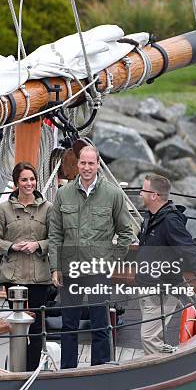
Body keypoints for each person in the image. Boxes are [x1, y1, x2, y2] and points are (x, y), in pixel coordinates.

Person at [49, 145, 135, 368]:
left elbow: (127, 232)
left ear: (98, 165)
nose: (87, 167)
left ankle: (100, 368)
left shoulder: (113, 194)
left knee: (100, 321)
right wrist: (55, 267)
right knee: (69, 324)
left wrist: (113, 261)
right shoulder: (63, 194)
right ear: (77, 164)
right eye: (83, 163)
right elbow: (55, 233)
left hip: (99, 270)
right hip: (70, 269)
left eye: (91, 163)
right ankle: (67, 371)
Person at [137, 174, 196, 355]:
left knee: (148, 337)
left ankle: (157, 376)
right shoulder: (151, 216)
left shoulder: (170, 221)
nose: (140, 193)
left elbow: (186, 245)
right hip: (147, 286)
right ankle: (164, 357)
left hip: (162, 290)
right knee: (155, 334)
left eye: (143, 190)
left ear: (154, 195)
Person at [0, 162, 53, 371]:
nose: (29, 183)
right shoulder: (4, 209)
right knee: (17, 328)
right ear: (16, 183)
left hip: (38, 277)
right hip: (13, 277)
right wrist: (12, 246)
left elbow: (55, 239)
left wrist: (37, 245)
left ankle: (31, 371)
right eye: (24, 180)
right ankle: (17, 370)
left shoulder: (48, 208)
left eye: (32, 179)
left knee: (36, 328)